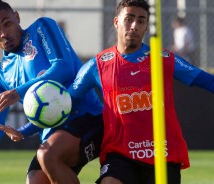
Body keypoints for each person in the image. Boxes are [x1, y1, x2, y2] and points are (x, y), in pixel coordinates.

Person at [0, 1, 103, 184]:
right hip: (53, 134)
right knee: (34, 180)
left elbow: (64, 67)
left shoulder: (42, 27)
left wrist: (18, 92)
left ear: (17, 17)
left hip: (88, 119)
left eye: (7, 23)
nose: (4, 34)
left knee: (48, 155)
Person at [67, 0, 214, 184]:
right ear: (116, 22)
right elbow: (67, 100)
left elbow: (207, 80)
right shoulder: (97, 65)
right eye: (129, 19)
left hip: (163, 153)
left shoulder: (163, 59)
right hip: (120, 154)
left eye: (141, 20)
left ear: (146, 27)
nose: (135, 25)